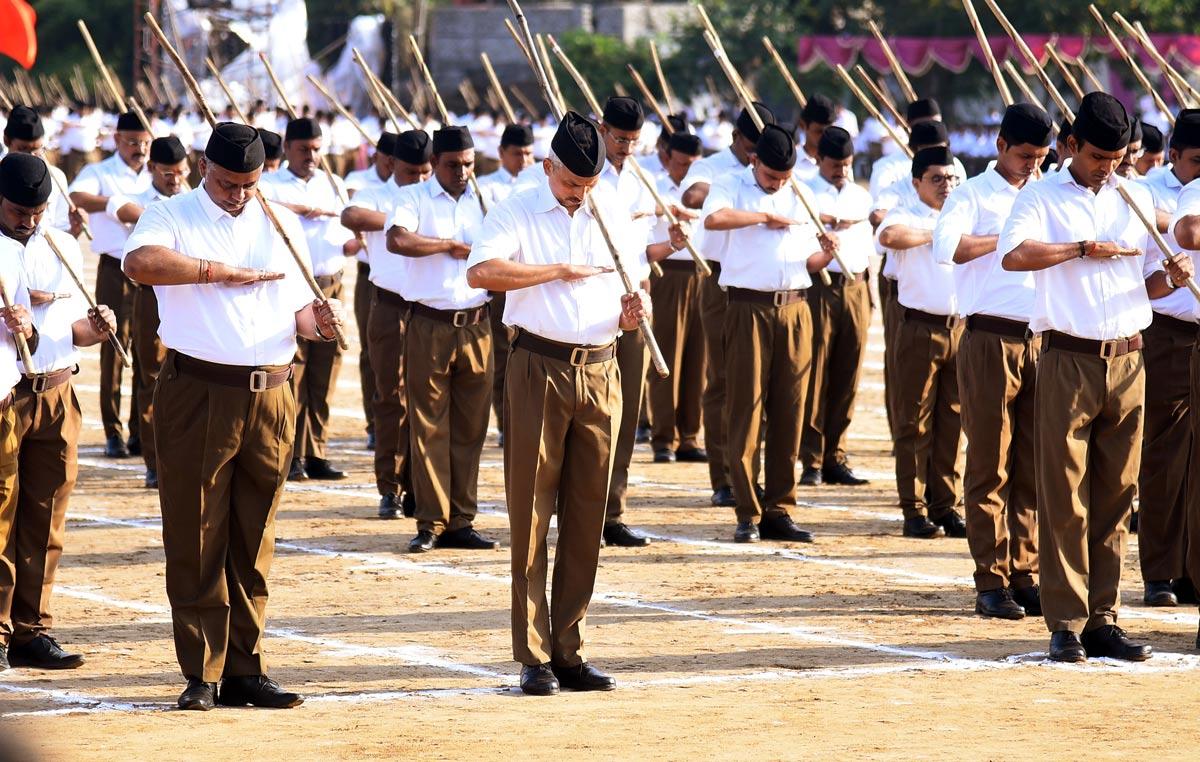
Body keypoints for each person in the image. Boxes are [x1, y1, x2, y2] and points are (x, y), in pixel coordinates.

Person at [124, 122, 346, 710]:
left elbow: (297, 307)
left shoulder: (281, 222)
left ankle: (247, 668)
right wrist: (214, 272)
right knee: (197, 533)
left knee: (255, 536)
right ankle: (203, 671)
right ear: (204, 168)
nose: (239, 194)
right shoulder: (171, 213)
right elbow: (140, 263)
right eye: (228, 183)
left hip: (272, 393)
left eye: (249, 183)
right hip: (199, 391)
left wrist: (319, 323)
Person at [999, 92, 1189, 663]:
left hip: (1131, 357)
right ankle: (1064, 620)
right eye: (1098, 157)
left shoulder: (1132, 196)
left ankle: (1103, 618)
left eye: (1118, 157)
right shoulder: (1039, 196)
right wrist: (1082, 249)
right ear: (1070, 145)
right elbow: (1013, 255)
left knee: (1115, 496)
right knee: (1065, 496)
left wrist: (1172, 280)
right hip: (1068, 358)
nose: (1108, 167)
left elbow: (1147, 285)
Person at [466, 111, 651, 696]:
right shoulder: (517, 207)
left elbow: (635, 281)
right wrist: (557, 272)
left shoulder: (612, 208)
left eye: (589, 184)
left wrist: (631, 312)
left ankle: (571, 649)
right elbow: (482, 272)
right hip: (537, 368)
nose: (580, 195)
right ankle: (535, 656)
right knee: (531, 513)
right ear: (549, 168)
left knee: (587, 513)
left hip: (601, 369)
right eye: (572, 184)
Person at [933, 103, 1052, 618]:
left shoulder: (1048, 192)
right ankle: (991, 577)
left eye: (1041, 156)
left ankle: (1025, 570)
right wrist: (1009, 240)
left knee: (1032, 465)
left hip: (1042, 339)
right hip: (989, 339)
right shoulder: (971, 194)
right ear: (1001, 146)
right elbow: (948, 247)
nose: (1032, 165)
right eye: (1025, 155)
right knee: (989, 462)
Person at [0, 153, 113, 671]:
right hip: (6, 395)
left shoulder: (62, 244)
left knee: (46, 518)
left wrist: (97, 327)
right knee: (0, 515)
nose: (29, 220)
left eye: (37, 210)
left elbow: (72, 330)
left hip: (59, 392)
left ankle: (32, 630)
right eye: (19, 211)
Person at [702, 124, 833, 544]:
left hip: (795, 307)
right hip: (747, 308)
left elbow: (805, 262)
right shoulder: (731, 185)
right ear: (755, 161)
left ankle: (780, 507)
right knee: (746, 409)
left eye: (784, 178)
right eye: (772, 177)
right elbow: (714, 218)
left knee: (791, 410)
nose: (778, 184)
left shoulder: (801, 192)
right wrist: (764, 215)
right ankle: (747, 509)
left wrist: (825, 255)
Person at [386, 126, 498, 553]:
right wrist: (447, 246)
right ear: (435, 163)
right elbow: (398, 239)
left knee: (471, 429)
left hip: (477, 323)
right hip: (428, 324)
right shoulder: (412, 198)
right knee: (429, 425)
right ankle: (431, 521)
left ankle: (461, 520)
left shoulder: (485, 201)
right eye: (453, 164)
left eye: (468, 164)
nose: (462, 172)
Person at [681, 102, 775, 508]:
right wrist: (731, 189)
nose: (757, 156)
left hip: (763, 281)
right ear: (737, 139)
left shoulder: (775, 170)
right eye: (752, 148)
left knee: (763, 384)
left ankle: (754, 473)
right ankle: (723, 474)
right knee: (722, 379)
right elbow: (692, 194)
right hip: (721, 279)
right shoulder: (716, 168)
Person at [341, 130, 432, 520]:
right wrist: (400, 220)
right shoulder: (379, 194)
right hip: (390, 307)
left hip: (430, 310)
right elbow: (351, 216)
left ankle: (420, 487)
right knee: (390, 397)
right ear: (392, 164)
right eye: (412, 172)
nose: (420, 179)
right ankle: (390, 488)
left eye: (426, 172)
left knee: (428, 400)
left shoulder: (434, 196)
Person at [877, 146, 965, 540]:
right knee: (914, 421)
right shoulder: (906, 212)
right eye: (937, 179)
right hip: (919, 327)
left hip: (960, 328)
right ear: (917, 183)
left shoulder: (963, 210)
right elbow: (889, 235)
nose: (946, 185)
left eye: (951, 178)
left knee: (953, 421)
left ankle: (945, 504)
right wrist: (937, 234)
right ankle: (913, 508)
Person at [259, 117, 353, 481]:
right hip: (296, 288)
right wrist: (303, 210)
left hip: (333, 284)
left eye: (316, 149)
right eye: (303, 150)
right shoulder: (271, 184)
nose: (311, 156)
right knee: (293, 370)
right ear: (287, 149)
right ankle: (292, 452)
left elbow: (345, 231)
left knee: (325, 373)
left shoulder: (335, 184)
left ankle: (317, 451)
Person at [1136, 111, 1200, 607]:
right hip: (1168, 331)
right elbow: (1186, 233)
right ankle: (1160, 569)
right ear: (1174, 155)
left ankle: (1192, 569)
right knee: (1165, 454)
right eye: (1196, 161)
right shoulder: (1147, 191)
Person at [109, 136, 191, 489]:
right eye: (167, 172)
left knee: (191, 374)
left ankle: (183, 454)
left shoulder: (195, 200)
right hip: (151, 297)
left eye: (180, 172)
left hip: (190, 295)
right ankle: (155, 461)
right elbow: (122, 210)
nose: (174, 179)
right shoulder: (142, 202)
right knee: (152, 376)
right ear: (153, 168)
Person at [68, 111, 151, 459]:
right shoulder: (101, 171)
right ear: (117, 140)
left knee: (148, 352)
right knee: (114, 349)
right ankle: (113, 431)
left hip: (150, 273)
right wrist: (117, 206)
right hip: (115, 269)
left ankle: (139, 431)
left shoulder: (156, 173)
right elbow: (77, 196)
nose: (140, 150)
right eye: (133, 143)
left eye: (145, 143)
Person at [595, 96, 658, 548]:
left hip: (633, 307)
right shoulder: (581, 173)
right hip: (590, 310)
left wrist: (669, 247)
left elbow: (645, 253)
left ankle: (612, 512)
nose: (627, 149)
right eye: (620, 139)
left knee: (626, 412)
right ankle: (580, 509)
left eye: (634, 141)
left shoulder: (641, 181)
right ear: (602, 129)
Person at [799, 126, 872, 488]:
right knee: (815, 373)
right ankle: (810, 457)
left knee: (848, 373)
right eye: (835, 164)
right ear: (819, 160)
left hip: (855, 287)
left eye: (846, 163)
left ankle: (835, 455)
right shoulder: (805, 192)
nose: (841, 170)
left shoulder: (861, 196)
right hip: (820, 288)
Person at [648, 132, 706, 464]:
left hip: (701, 274)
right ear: (668, 159)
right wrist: (666, 207)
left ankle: (689, 437)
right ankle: (663, 438)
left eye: (693, 165)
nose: (687, 171)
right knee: (666, 356)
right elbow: (637, 210)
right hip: (666, 274)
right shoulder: (652, 184)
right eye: (682, 164)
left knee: (699, 360)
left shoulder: (706, 187)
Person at [477, 123, 537, 447]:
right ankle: (505, 420)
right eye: (517, 154)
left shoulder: (541, 184)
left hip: (532, 281)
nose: (524, 160)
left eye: (529, 153)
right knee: (503, 354)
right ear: (501, 154)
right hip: (503, 284)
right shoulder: (487, 188)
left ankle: (527, 418)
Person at [344, 132, 399, 452]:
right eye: (387, 159)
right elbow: (353, 212)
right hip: (372, 277)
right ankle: (374, 424)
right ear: (377, 156)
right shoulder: (362, 182)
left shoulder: (415, 188)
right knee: (371, 352)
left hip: (406, 282)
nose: (391, 165)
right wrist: (404, 222)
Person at [2, 105, 84, 237]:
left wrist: (73, 232)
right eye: (23, 149)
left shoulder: (56, 177)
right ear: (7, 141)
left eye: (38, 149)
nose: (32, 156)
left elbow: (61, 229)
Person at [793, 94, 837, 182]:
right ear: (803, 125)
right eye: (819, 131)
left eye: (829, 131)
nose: (825, 137)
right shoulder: (791, 162)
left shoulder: (839, 163)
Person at [346, 131, 397, 197]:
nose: (392, 170)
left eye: (395, 166)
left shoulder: (402, 184)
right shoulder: (356, 178)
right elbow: (352, 200)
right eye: (387, 166)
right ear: (375, 158)